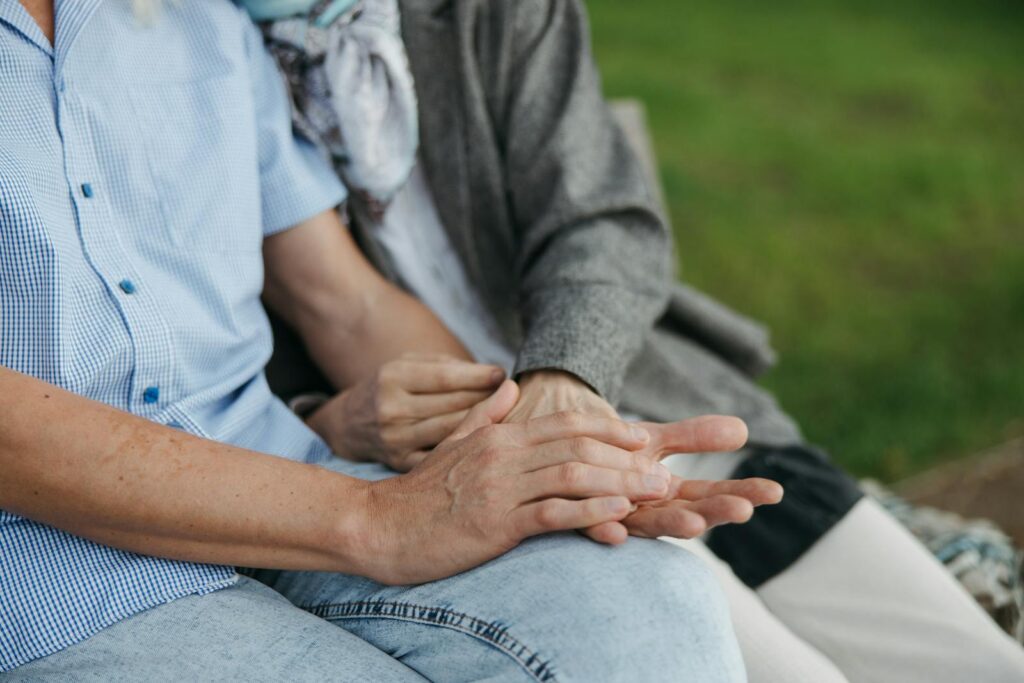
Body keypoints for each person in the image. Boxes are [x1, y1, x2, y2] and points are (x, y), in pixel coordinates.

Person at [0, 1, 787, 680]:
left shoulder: (201, 17)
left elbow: (343, 301)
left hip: (288, 475)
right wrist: (376, 519)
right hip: (54, 568)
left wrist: (550, 450)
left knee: (650, 610)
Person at [254, 0, 1024, 681]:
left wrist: (566, 373)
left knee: (982, 664)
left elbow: (605, 221)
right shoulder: (195, 56)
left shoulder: (485, 12)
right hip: (452, 489)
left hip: (641, 398)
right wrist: (323, 416)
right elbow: (185, 361)